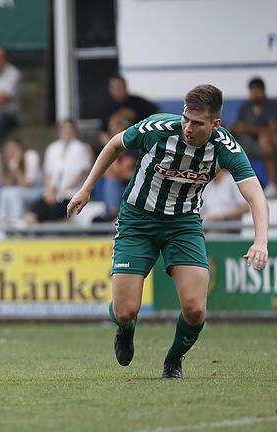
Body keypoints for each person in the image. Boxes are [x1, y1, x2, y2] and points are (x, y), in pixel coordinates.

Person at [67, 84, 269, 379]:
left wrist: (260, 240)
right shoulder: (158, 128)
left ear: (215, 124)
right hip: (138, 220)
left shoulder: (225, 147)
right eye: (186, 118)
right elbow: (114, 145)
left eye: (197, 123)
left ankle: (173, 360)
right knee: (125, 310)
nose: (188, 127)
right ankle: (126, 328)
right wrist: (86, 189)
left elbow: (256, 197)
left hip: (183, 224)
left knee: (195, 310)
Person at [25, 119, 90, 224]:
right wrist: (49, 191)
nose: (66, 132)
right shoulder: (52, 148)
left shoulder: (80, 148)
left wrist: (60, 190)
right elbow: (48, 173)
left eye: (69, 129)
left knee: (52, 214)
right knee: (32, 214)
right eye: (64, 129)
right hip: (51, 194)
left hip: (70, 194)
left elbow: (80, 174)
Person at [230, 77, 277, 197]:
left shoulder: (272, 106)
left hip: (271, 143)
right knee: (231, 145)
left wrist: (249, 128)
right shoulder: (245, 107)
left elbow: (273, 130)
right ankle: (239, 186)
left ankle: (272, 184)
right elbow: (240, 127)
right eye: (253, 91)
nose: (255, 94)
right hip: (249, 143)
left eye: (258, 91)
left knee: (265, 139)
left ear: (263, 91)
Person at [99, 75, 159, 146]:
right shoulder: (107, 108)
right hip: (117, 146)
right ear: (110, 89)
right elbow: (102, 133)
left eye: (120, 86)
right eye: (115, 87)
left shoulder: (138, 102)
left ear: (126, 86)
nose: (118, 89)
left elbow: (159, 114)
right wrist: (110, 146)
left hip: (138, 145)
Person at [0, 138, 42, 223]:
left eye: (14, 148)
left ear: (20, 147)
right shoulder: (8, 161)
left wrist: (17, 168)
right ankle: (2, 224)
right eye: (8, 149)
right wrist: (12, 167)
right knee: (3, 192)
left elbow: (27, 185)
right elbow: (7, 184)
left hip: (36, 191)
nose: (11, 152)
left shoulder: (31, 156)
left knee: (14, 193)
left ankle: (16, 220)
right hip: (18, 191)